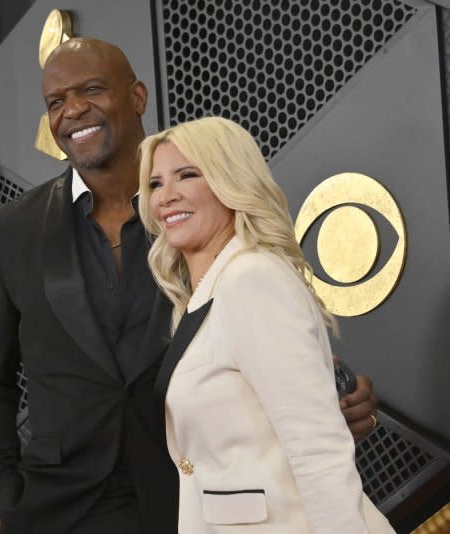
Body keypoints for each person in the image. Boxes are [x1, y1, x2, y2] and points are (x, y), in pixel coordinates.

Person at [0, 37, 379, 534]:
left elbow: (256, 325)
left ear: (137, 97)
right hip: (59, 508)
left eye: (91, 89)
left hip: (194, 497)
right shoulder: (7, 231)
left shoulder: (197, 211)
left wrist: (330, 388)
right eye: (56, 101)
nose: (73, 110)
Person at [138, 116, 395, 533]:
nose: (167, 196)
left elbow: (316, 447)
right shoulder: (209, 295)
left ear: (229, 180)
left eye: (187, 175)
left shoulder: (251, 279)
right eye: (155, 183)